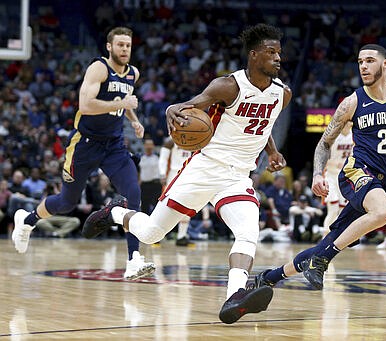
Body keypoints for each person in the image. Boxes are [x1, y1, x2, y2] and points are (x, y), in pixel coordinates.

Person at [82, 23, 291, 324]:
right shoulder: (228, 86)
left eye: (279, 53)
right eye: (271, 53)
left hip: (237, 176)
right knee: (153, 233)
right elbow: (186, 107)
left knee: (248, 233)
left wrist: (271, 151)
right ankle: (116, 213)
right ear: (254, 55)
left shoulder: (282, 94)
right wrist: (171, 110)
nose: (277, 58)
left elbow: (264, 125)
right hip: (204, 167)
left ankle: (235, 296)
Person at [254, 43, 386, 291]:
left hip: (385, 182)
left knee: (332, 239)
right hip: (357, 172)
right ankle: (322, 260)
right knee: (384, 213)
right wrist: (318, 173)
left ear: (385, 64)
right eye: (360, 61)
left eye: (370, 60)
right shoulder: (352, 102)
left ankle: (270, 277)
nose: (363, 66)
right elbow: (324, 143)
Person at [11, 27, 155, 280]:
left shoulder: (133, 73)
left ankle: (134, 259)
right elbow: (86, 106)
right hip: (84, 144)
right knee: (67, 203)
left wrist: (133, 120)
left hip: (114, 145)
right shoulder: (98, 68)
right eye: (120, 45)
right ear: (109, 47)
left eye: (128, 45)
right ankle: (27, 220)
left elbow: (126, 97)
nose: (125, 50)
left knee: (133, 193)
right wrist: (123, 105)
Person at [158, 136, 193, 246]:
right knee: (165, 204)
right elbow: (163, 159)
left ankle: (181, 236)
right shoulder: (170, 141)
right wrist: (162, 174)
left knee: (187, 204)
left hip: (187, 175)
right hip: (172, 176)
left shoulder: (193, 139)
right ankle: (157, 234)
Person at [322, 121, 353, 233]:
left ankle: (337, 236)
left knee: (342, 210)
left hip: (345, 176)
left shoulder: (354, 136)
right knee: (333, 209)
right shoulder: (334, 136)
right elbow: (323, 158)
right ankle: (325, 235)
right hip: (331, 175)